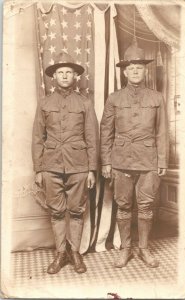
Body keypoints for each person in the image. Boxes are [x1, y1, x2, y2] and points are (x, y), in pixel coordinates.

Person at [100, 40, 168, 268]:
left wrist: (162, 160)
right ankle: (126, 250)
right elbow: (105, 133)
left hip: (148, 161)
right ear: (125, 71)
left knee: (146, 207)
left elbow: (162, 132)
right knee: (124, 206)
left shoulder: (156, 98)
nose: (135, 71)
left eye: (139, 67)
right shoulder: (114, 98)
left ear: (145, 70)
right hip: (120, 161)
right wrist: (106, 162)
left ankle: (144, 249)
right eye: (131, 67)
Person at [32, 52, 99, 274]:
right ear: (54, 77)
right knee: (57, 212)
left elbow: (92, 137)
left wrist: (91, 169)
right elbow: (37, 138)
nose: (64, 75)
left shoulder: (85, 103)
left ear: (75, 76)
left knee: (77, 210)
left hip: (79, 165)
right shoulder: (45, 103)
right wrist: (38, 169)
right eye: (60, 72)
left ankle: (75, 252)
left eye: (68, 72)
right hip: (50, 165)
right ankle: (61, 254)